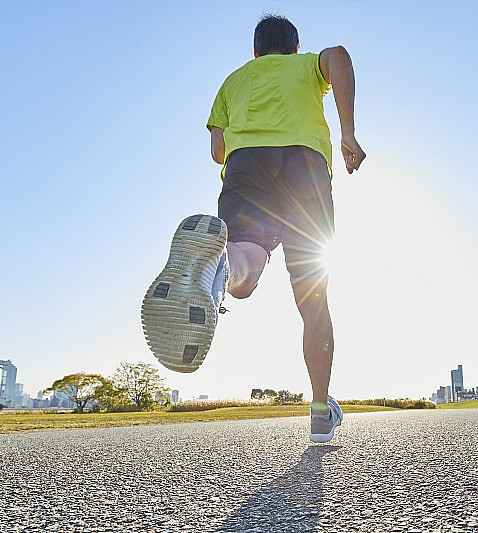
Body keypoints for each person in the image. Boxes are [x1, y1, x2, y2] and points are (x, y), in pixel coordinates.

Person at [142, 14, 365, 443]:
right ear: (295, 50)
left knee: (243, 272)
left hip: (247, 167)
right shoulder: (306, 67)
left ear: (256, 52)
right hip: (306, 170)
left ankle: (219, 264)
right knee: (313, 299)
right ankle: (321, 409)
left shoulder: (234, 81)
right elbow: (338, 56)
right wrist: (348, 132)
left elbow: (217, 150)